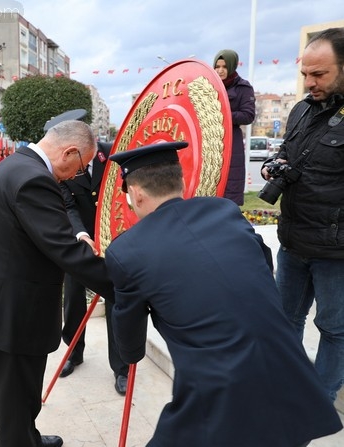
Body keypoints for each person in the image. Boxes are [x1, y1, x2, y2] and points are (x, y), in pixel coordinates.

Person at [105, 141, 342, 447]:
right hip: (289, 377)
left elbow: (130, 340)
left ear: (136, 194)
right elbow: (263, 260)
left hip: (219, 390)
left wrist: (131, 349)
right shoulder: (225, 210)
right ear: (181, 181)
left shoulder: (127, 250)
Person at [0, 120, 114, 447]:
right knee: (14, 402)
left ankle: (29, 438)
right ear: (69, 152)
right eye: (80, 167)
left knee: (22, 395)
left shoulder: (15, 165)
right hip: (12, 314)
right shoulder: (34, 181)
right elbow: (64, 251)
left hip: (6, 307)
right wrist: (123, 283)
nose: (76, 176)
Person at [261, 27, 344, 402]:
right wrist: (274, 165)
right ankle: (281, 389)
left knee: (334, 329)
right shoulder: (301, 109)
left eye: (319, 74)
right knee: (284, 321)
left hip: (336, 254)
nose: (309, 82)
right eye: (305, 74)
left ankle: (319, 401)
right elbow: (287, 153)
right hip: (293, 243)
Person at [50, 110, 128, 394]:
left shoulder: (114, 156)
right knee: (72, 298)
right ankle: (73, 352)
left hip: (115, 241)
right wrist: (81, 235)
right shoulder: (64, 164)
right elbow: (68, 205)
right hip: (81, 240)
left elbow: (125, 195)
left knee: (115, 301)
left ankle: (121, 367)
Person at [213, 49, 256, 205]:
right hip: (210, 141)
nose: (220, 70)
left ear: (232, 66)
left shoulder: (243, 87)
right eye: (217, 66)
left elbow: (248, 115)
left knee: (229, 190)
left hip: (231, 142)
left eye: (224, 66)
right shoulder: (208, 85)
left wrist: (222, 114)